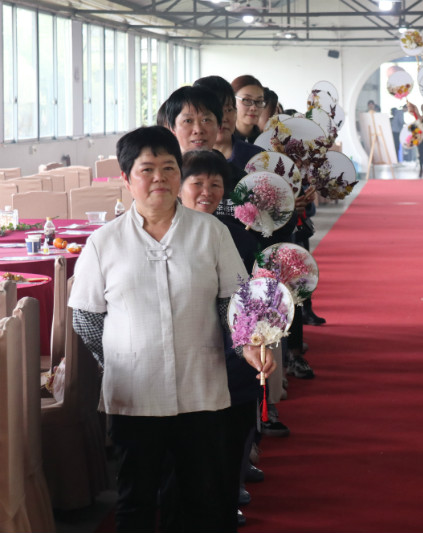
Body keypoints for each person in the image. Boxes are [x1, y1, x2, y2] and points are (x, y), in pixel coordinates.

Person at [69, 126, 276, 532]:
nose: (160, 178)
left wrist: (248, 344)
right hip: (135, 394)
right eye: (147, 169)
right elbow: (87, 318)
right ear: (127, 179)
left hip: (201, 390)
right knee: (136, 498)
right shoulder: (104, 243)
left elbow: (232, 304)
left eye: (169, 167)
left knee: (200, 496)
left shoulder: (210, 233)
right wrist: (119, 358)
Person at [178, 149, 262, 528]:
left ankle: (226, 508)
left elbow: (251, 299)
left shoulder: (240, 237)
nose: (206, 191)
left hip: (234, 356)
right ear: (179, 187)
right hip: (188, 361)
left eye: (216, 184)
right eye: (197, 183)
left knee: (230, 441)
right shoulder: (166, 237)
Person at [231, 74, 267, 143]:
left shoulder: (267, 142)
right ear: (232, 101)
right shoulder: (221, 140)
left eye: (259, 101)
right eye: (247, 100)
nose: (254, 108)